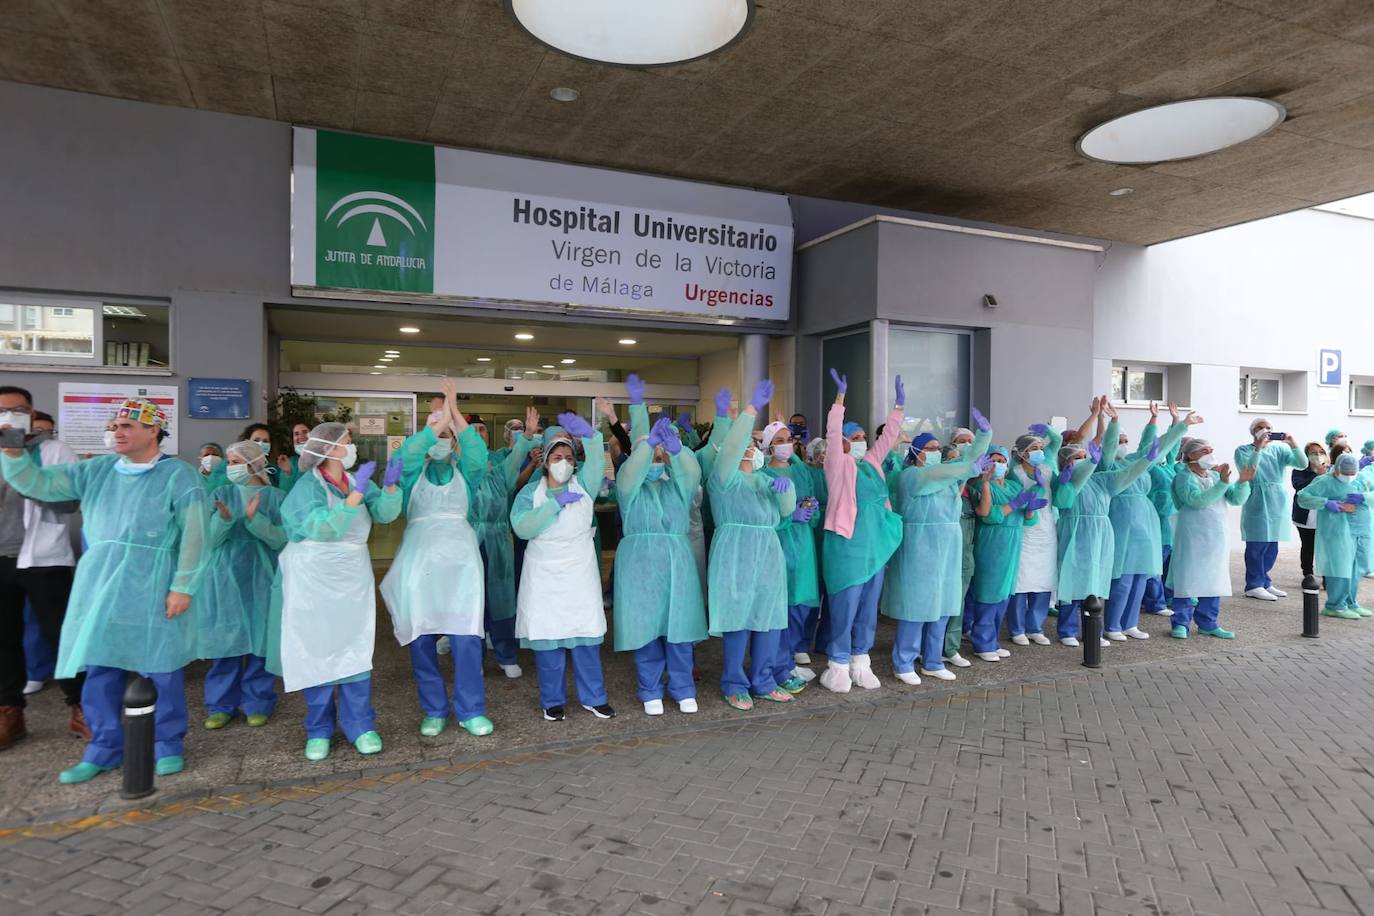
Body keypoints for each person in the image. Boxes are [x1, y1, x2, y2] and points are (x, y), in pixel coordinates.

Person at [1, 398, 208, 782]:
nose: (117, 432)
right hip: (99, 583)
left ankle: (167, 743)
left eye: (127, 426)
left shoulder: (179, 475)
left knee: (160, 667)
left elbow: (196, 535)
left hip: (152, 581)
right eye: (113, 426)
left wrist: (183, 586)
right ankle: (104, 747)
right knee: (100, 664)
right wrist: (14, 455)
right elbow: (39, 483)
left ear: (154, 430)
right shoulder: (96, 470)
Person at [269, 423, 402, 761]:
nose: (352, 447)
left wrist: (389, 487)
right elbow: (325, 528)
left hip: (352, 575)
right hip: (314, 575)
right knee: (318, 649)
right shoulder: (307, 487)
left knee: (355, 646)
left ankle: (361, 725)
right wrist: (356, 495)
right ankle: (319, 729)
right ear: (327, 449)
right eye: (346, 442)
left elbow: (385, 515)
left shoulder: (357, 481)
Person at [380, 380, 494, 738]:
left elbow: (477, 452)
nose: (441, 436)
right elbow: (405, 456)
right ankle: (433, 709)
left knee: (466, 637)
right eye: (435, 430)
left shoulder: (467, 472)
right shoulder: (410, 473)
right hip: (420, 562)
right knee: (421, 636)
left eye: (447, 432)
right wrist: (435, 425)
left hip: (461, 564)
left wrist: (454, 411)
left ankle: (471, 709)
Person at [510, 413, 614, 721]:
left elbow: (596, 461)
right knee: (548, 637)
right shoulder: (531, 493)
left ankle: (594, 697)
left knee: (585, 636)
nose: (564, 462)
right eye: (557, 457)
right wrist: (553, 505)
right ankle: (552, 700)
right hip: (543, 571)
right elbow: (522, 527)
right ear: (545, 461)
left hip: (579, 570)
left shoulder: (584, 486)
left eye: (569, 457)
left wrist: (591, 436)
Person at [0, 386, 88, 751]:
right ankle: (10, 712)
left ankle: (81, 705)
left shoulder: (54, 451)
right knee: (4, 638)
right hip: (1, 558)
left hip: (45, 558)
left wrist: (22, 468)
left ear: (32, 413)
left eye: (18, 410)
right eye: (2, 411)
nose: (10, 417)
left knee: (61, 634)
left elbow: (69, 503)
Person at [613, 381, 706, 716]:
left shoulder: (675, 488)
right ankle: (650, 688)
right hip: (639, 564)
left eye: (659, 455)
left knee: (680, 626)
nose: (656, 459)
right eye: (651, 456)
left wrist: (677, 452)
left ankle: (683, 687)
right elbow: (628, 476)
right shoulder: (630, 491)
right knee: (646, 627)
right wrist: (646, 444)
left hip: (677, 563)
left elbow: (691, 476)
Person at [706, 381, 796, 709]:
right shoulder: (723, 480)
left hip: (768, 554)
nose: (747, 449)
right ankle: (733, 682)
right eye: (743, 444)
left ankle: (764, 680)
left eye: (752, 444)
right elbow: (731, 447)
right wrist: (750, 410)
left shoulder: (765, 480)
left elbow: (786, 512)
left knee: (769, 618)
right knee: (738, 618)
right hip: (735, 554)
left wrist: (785, 491)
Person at [819, 371, 905, 692]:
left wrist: (899, 407)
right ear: (843, 442)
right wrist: (839, 401)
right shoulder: (837, 465)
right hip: (847, 550)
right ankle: (838, 664)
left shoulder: (872, 463)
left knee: (868, 609)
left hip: (875, 550)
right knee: (845, 608)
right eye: (853, 437)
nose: (860, 442)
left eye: (862, 437)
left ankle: (860, 660)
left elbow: (888, 438)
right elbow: (832, 433)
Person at [885, 423, 990, 684]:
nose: (934, 452)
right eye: (929, 448)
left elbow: (966, 461)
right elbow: (954, 469)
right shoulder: (911, 477)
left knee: (943, 604)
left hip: (949, 547)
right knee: (916, 605)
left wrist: (983, 437)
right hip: (920, 548)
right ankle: (904, 662)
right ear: (915, 452)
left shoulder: (946, 478)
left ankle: (932, 660)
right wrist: (968, 466)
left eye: (937, 448)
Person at [1053, 397, 1155, 647]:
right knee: (1071, 581)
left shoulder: (1101, 481)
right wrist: (1066, 481)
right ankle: (1067, 630)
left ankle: (1094, 631)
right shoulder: (1064, 482)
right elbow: (1063, 501)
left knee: (1095, 582)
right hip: (1074, 533)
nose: (1084, 460)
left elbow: (1126, 473)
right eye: (1077, 457)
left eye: (1085, 456)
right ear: (1065, 462)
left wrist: (1145, 461)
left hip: (1100, 536)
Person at [199, 439, 286, 730]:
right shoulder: (221, 493)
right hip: (225, 575)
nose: (229, 467)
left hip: (263, 574)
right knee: (225, 640)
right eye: (229, 461)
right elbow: (208, 541)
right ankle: (220, 705)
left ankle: (257, 702)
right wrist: (223, 521)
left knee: (261, 642)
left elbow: (281, 539)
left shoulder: (276, 498)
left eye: (235, 462)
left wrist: (255, 520)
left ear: (253, 464)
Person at [1103, 404, 1191, 640]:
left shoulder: (1137, 461)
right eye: (1119, 441)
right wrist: (1114, 423)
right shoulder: (1108, 465)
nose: (1123, 444)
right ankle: (1112, 625)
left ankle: (1130, 623)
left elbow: (1154, 446)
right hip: (1121, 520)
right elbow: (1109, 447)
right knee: (1122, 577)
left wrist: (1177, 424)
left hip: (1145, 521)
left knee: (1141, 575)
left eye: (1125, 440)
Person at [471, 408, 539, 678]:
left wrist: (528, 436)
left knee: (501, 598)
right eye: (472, 431)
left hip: (498, 538)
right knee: (471, 599)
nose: (478, 434)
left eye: (482, 430)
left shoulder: (498, 464)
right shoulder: (458, 466)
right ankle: (472, 657)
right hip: (468, 539)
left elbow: (515, 464)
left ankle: (506, 655)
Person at [1167, 439, 1255, 638]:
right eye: (1204, 451)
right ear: (1191, 455)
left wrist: (1242, 482)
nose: (1210, 454)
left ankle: (1208, 622)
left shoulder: (1215, 476)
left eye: (1211, 450)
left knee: (1213, 578)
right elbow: (1196, 501)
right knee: (1187, 577)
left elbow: (1236, 499)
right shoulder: (1184, 477)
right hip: (1191, 535)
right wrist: (1223, 483)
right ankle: (1180, 622)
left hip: (1216, 535)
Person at [968, 447, 1045, 662]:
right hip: (991, 543)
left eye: (1002, 460)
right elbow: (989, 516)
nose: (998, 464)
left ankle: (992, 641)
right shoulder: (978, 486)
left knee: (1004, 594)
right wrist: (1013, 504)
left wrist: (1030, 509)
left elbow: (1029, 520)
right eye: (993, 460)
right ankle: (982, 643)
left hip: (1013, 543)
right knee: (988, 593)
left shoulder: (1014, 486)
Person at [760, 418, 820, 688]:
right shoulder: (764, 477)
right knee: (781, 610)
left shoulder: (800, 472)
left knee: (802, 607)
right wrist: (788, 517)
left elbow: (810, 504)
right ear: (768, 447)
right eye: (779, 441)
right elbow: (763, 517)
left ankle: (788, 661)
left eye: (789, 440)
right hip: (780, 546)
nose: (786, 445)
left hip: (804, 545)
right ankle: (778, 666)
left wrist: (810, 509)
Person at [1236, 418, 1307, 601]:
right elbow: (1249, 470)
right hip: (1257, 498)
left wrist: (1293, 443)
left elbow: (1302, 464)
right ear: (1252, 431)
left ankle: (1264, 581)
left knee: (1271, 545)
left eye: (1268, 427)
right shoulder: (1243, 450)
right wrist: (1258, 448)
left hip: (1277, 499)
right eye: (1260, 427)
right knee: (1256, 544)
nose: (1265, 430)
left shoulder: (1279, 450)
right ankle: (1253, 585)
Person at [1296, 453, 1370, 618]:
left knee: (1355, 569)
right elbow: (1303, 497)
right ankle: (1335, 606)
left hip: (1359, 531)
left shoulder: (1361, 479)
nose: (1349, 477)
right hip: (1336, 532)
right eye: (1346, 473)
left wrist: (1364, 497)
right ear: (1337, 469)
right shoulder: (1325, 481)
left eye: (1352, 473)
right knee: (1339, 569)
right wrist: (1325, 502)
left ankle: (1351, 602)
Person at [1007, 424, 1060, 646]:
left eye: (1040, 447)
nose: (1039, 451)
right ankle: (1017, 628)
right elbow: (1018, 499)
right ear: (1022, 453)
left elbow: (1059, 492)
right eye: (1034, 448)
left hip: (1046, 530)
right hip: (1025, 529)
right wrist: (1035, 487)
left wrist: (1048, 429)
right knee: (1021, 581)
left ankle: (1035, 627)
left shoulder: (1047, 470)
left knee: (1043, 579)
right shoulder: (1015, 473)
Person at [1141, 427, 1188, 616]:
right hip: (1157, 521)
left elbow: (1173, 445)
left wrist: (1177, 424)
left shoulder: (1167, 465)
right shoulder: (1148, 466)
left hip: (1171, 522)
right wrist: (1153, 424)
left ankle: (1167, 596)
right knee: (1155, 566)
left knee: (1168, 564)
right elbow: (1149, 443)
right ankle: (1155, 603)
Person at [1292, 443, 1328, 581]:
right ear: (1306, 455)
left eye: (1320, 452)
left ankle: (1326, 575)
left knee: (1324, 547)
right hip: (1305, 515)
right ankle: (1308, 573)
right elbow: (1298, 486)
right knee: (1308, 545)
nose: (1317, 455)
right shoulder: (1299, 469)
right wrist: (1317, 475)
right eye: (1313, 452)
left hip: (1324, 515)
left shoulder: (1329, 470)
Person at [274, 422, 312, 493]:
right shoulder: (290, 462)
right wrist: (288, 473)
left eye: (305, 432)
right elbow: (284, 492)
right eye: (296, 434)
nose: (301, 436)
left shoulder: (323, 459)